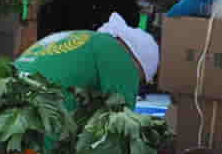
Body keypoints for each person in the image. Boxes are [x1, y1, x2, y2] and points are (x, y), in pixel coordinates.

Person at [14, 12, 159, 112]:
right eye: (138, 78)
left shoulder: (83, 38)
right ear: (137, 61)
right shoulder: (118, 53)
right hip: (39, 116)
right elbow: (121, 121)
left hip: (4, 97)